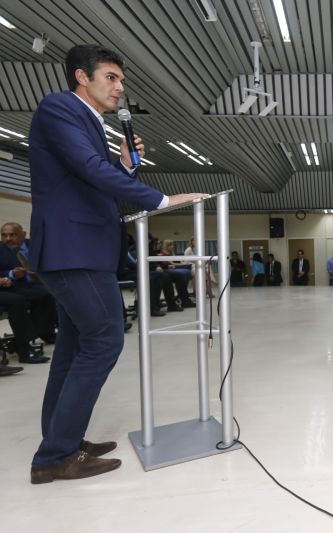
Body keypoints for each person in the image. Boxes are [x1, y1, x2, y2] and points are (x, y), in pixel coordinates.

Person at [27, 44, 205, 483]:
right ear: (81, 77)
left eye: (121, 80)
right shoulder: (59, 108)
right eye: (110, 77)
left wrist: (124, 167)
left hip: (84, 251)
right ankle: (55, 457)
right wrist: (161, 198)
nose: (119, 87)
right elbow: (88, 169)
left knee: (72, 348)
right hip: (74, 251)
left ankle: (61, 441)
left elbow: (94, 180)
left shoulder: (88, 123)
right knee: (105, 339)